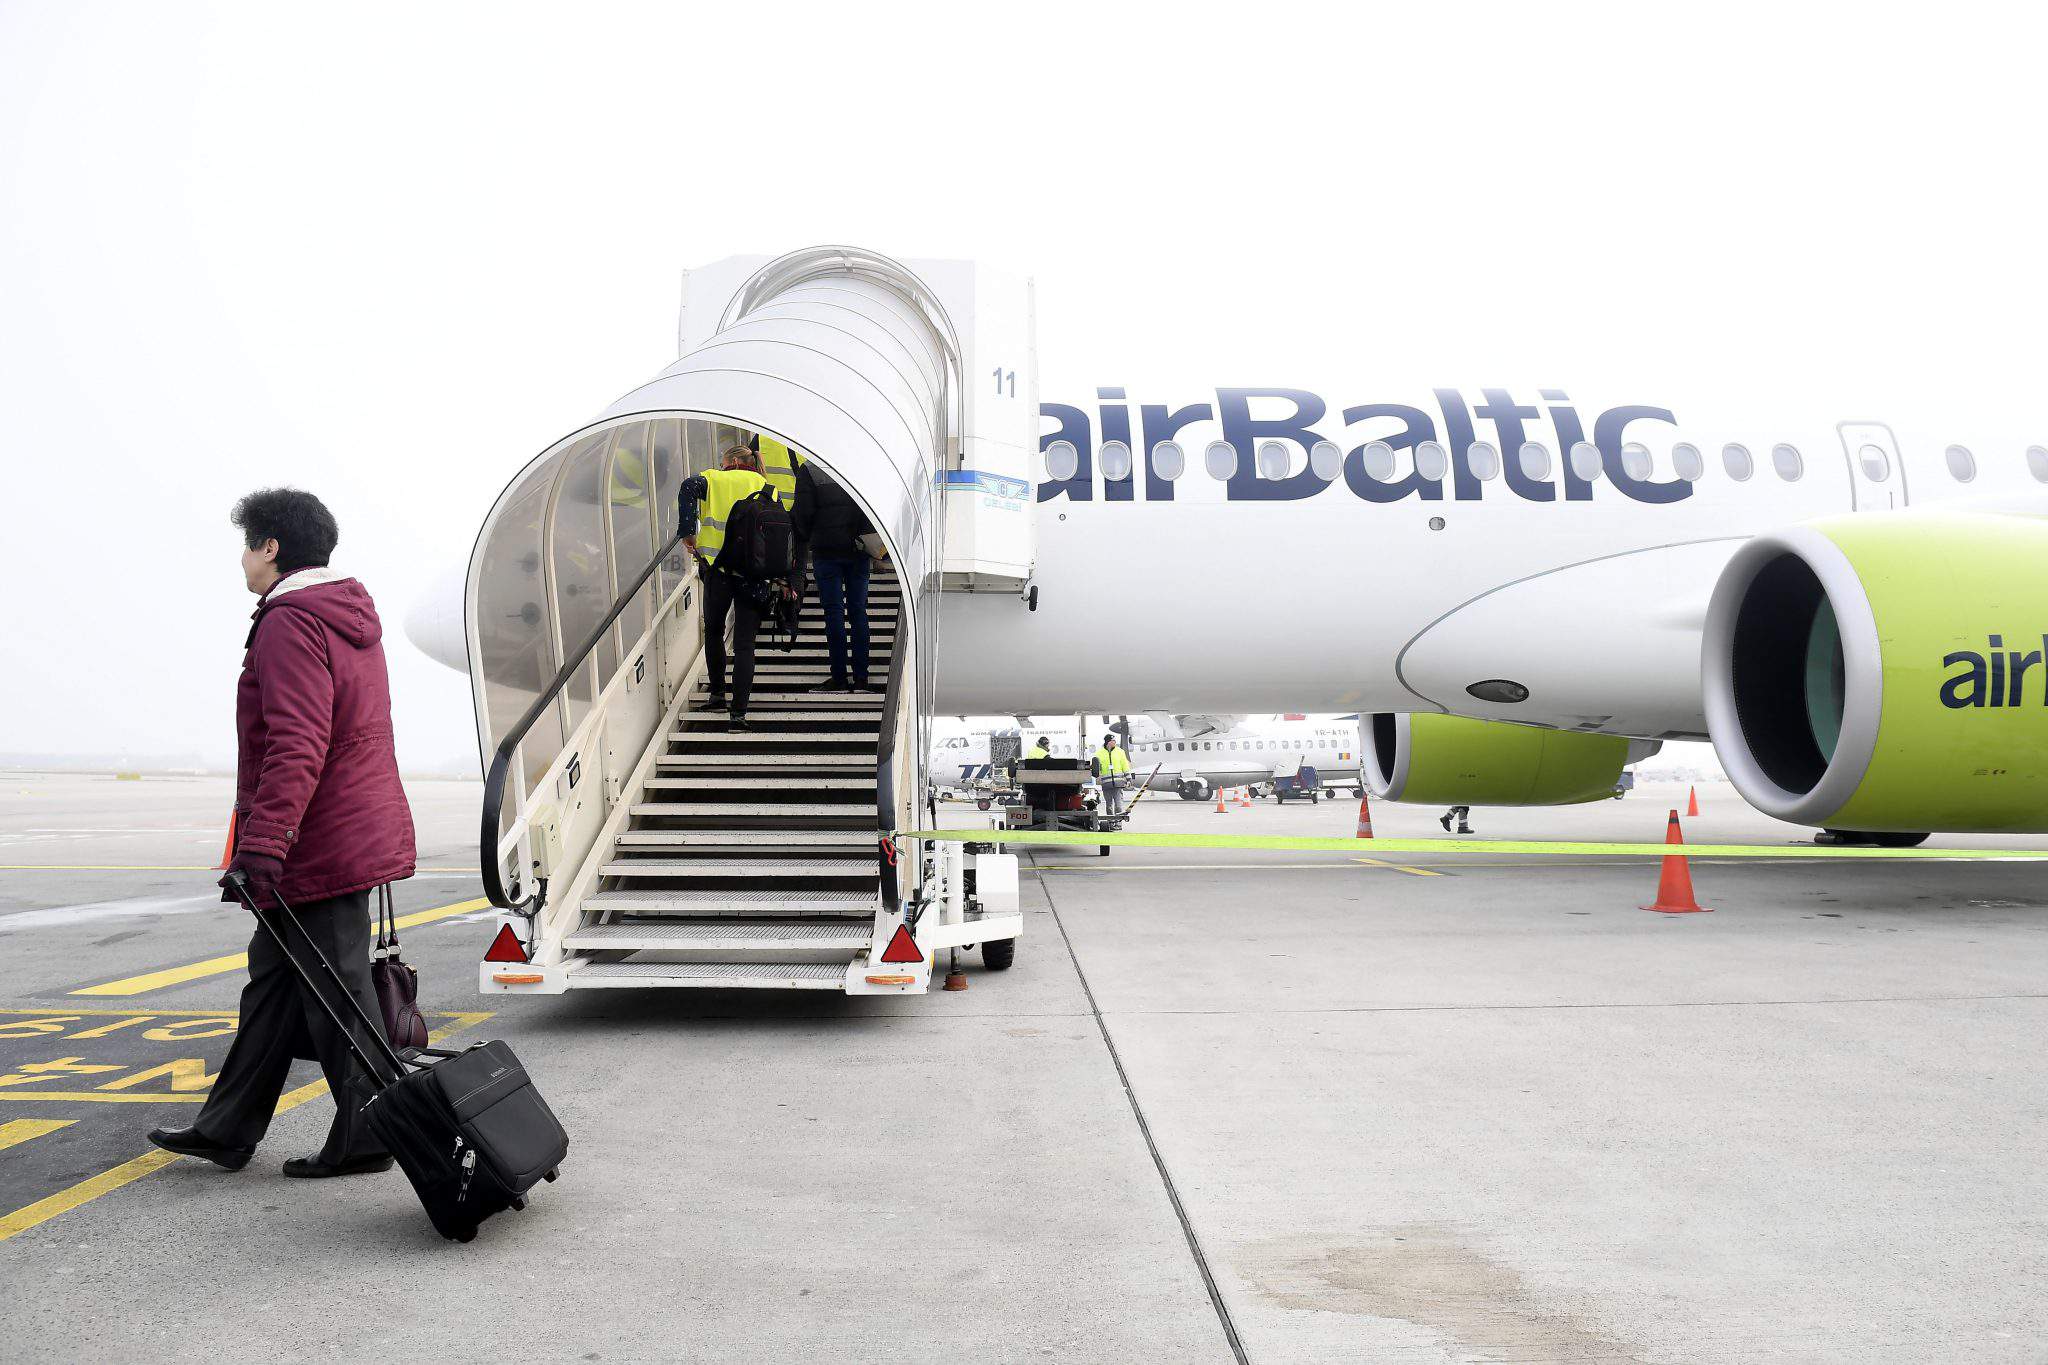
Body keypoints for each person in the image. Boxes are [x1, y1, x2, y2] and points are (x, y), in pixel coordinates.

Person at [148, 489, 416, 1179]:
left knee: (339, 996)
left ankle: (368, 1135)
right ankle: (228, 1127)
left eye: (248, 545)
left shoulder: (290, 620)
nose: (242, 559)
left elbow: (297, 742)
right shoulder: (341, 615)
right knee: (272, 983)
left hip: (316, 842)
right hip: (338, 828)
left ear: (271, 547)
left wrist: (264, 843)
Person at [680, 443, 797, 729]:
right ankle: (738, 713)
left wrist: (687, 533)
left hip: (718, 571)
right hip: (754, 576)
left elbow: (687, 487)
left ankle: (717, 696)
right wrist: (783, 579)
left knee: (714, 632)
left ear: (732, 462)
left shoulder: (714, 479)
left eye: (723, 462)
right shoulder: (769, 488)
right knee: (745, 644)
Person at [793, 463, 880, 692]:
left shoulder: (810, 470)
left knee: (834, 613)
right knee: (858, 611)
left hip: (826, 551)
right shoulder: (861, 465)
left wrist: (809, 537)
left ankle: (839, 678)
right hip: (859, 550)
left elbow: (803, 513)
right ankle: (861, 678)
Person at [1092, 733, 1131, 815]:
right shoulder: (1099, 754)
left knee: (1118, 805)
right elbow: (1096, 768)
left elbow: (1125, 765)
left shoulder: (1120, 752)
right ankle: (1110, 821)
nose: (1115, 742)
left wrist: (1128, 778)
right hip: (1106, 784)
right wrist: (1097, 778)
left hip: (1118, 783)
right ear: (1108, 742)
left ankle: (1118, 821)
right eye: (1113, 740)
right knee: (1109, 806)